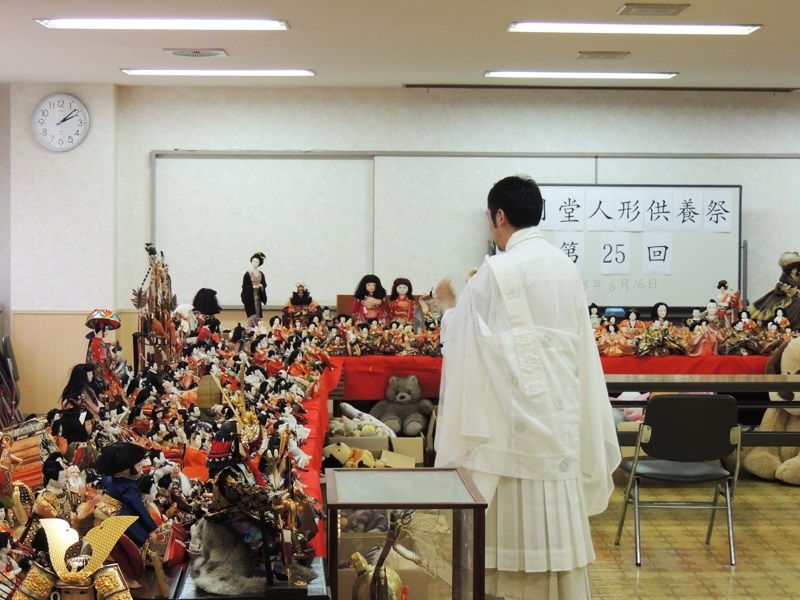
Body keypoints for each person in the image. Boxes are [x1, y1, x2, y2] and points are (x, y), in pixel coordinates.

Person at [433, 175, 620, 599]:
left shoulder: (497, 270)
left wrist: (447, 306)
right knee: (557, 534)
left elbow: (464, 337)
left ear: (499, 216)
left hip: (511, 434)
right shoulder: (565, 266)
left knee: (505, 552)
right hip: (559, 419)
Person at [241, 252, 268, 327]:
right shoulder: (248, 274)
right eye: (253, 261)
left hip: (258, 298)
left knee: (258, 315)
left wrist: (261, 286)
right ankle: (251, 330)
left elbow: (264, 284)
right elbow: (244, 286)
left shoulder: (261, 274)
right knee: (252, 316)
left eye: (257, 262)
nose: (254, 263)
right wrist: (252, 287)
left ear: (259, 263)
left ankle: (258, 329)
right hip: (250, 298)